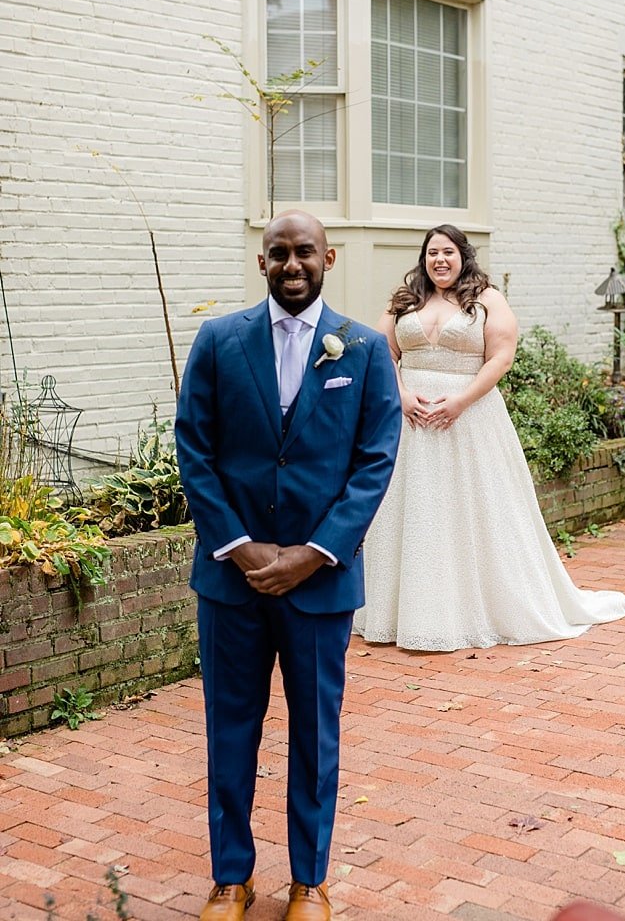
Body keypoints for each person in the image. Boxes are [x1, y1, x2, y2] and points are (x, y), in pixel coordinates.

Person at [174, 209, 401, 921]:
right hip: (232, 583)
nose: (292, 264)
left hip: (321, 583)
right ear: (262, 262)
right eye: (279, 253)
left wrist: (313, 552)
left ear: (328, 259)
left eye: (305, 252)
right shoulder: (218, 341)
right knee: (229, 729)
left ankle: (310, 880)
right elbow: (195, 448)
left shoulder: (362, 350)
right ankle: (230, 878)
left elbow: (374, 461)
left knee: (315, 733)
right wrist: (239, 547)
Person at [352, 224, 625, 651]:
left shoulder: (486, 299)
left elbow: (500, 359)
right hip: (409, 422)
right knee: (410, 512)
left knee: (470, 512)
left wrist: (460, 402)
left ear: (463, 256)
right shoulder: (407, 299)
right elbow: (382, 351)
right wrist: (402, 395)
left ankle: (467, 609)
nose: (439, 260)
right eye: (432, 253)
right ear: (423, 259)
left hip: (468, 420)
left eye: (448, 252)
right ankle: (398, 613)